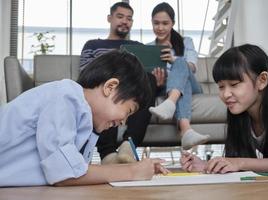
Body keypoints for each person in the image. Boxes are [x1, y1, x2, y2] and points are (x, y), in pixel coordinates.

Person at [0, 50, 168, 187]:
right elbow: (65, 174)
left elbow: (79, 170)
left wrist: (134, 168)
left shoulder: (85, 123)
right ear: (110, 87)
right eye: (129, 111)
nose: (124, 121)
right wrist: (132, 171)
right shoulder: (65, 95)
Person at [180, 44, 268, 173]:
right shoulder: (241, 112)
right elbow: (243, 163)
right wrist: (208, 165)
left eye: (234, 84)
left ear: (262, 80)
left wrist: (238, 162)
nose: (226, 94)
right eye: (221, 87)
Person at [80, 2, 165, 164]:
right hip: (107, 87)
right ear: (109, 18)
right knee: (113, 82)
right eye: (120, 16)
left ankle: (129, 144)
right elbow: (87, 76)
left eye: (129, 18)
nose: (125, 21)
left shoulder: (138, 47)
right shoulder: (93, 45)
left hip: (133, 90)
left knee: (149, 79)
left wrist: (158, 81)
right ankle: (108, 154)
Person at [148, 2, 210, 150]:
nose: (160, 27)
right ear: (151, 23)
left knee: (181, 63)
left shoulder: (186, 42)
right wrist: (157, 80)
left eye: (165, 23)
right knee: (183, 85)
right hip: (166, 87)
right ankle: (186, 130)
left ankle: (169, 103)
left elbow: (192, 68)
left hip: (193, 86)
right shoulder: (149, 47)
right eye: (156, 23)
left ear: (172, 24)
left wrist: (173, 59)